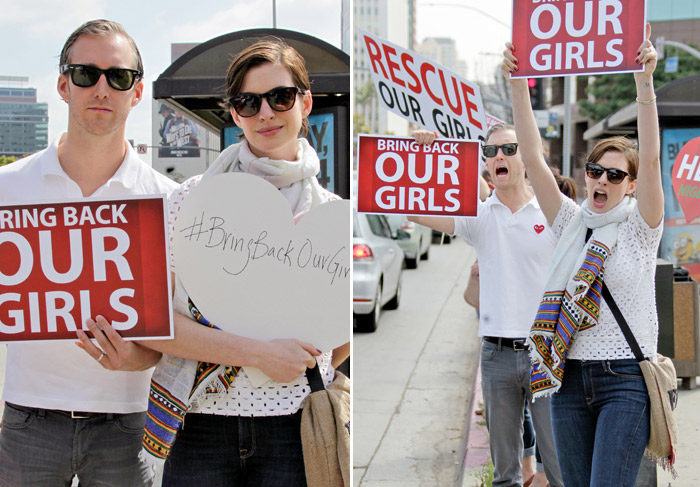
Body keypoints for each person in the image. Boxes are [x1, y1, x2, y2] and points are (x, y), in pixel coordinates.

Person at [81, 38, 350, 486]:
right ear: (234, 113)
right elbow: (157, 321)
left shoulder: (331, 214)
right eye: (248, 102)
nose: (266, 113)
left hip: (296, 425)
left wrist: (312, 355)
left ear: (305, 102)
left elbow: (340, 334)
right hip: (199, 421)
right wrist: (261, 352)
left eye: (280, 97)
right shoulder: (189, 201)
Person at [0, 20, 177, 486]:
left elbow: (177, 328)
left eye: (118, 77)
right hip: (27, 419)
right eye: (85, 74)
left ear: (136, 92)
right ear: (63, 84)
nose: (102, 88)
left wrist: (136, 358)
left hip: (125, 423)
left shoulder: (169, 199)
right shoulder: (7, 190)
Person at [503, 23, 662, 486]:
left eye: (616, 176)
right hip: (568, 379)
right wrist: (518, 80)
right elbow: (532, 156)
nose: (603, 182)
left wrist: (643, 81)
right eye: (596, 171)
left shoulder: (640, 229)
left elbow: (650, 159)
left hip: (625, 382)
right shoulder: (571, 223)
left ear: (631, 185)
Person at [409, 126, 564, 487]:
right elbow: (414, 209)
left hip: (547, 353)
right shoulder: (478, 215)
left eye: (509, 148)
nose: (499, 156)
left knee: (560, 470)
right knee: (505, 475)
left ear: (527, 156)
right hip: (497, 357)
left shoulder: (553, 212)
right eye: (491, 150)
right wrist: (422, 153)